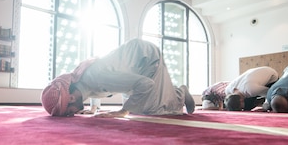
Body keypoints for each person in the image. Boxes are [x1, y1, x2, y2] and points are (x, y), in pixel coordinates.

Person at [40, 38, 195, 118]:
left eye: (68, 112)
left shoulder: (98, 77)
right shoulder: (82, 82)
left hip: (146, 58)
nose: (71, 114)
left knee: (150, 110)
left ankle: (181, 92)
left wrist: (123, 111)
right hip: (133, 64)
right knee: (141, 101)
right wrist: (94, 108)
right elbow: (92, 89)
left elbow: (144, 83)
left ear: (72, 98)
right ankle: (174, 92)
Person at [200, 66, 278, 111]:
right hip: (253, 77)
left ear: (241, 100)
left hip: (272, 76)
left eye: (241, 107)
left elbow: (270, 93)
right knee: (248, 105)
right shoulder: (228, 89)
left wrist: (265, 107)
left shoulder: (251, 90)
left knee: (271, 102)